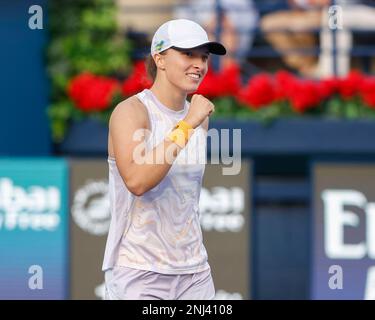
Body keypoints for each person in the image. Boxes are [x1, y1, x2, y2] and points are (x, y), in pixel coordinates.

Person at [102, 19, 226, 300]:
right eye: (188, 54)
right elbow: (137, 181)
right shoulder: (130, 111)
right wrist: (187, 124)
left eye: (204, 57)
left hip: (195, 274)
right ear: (159, 58)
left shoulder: (199, 119)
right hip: (138, 273)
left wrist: (191, 121)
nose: (199, 64)